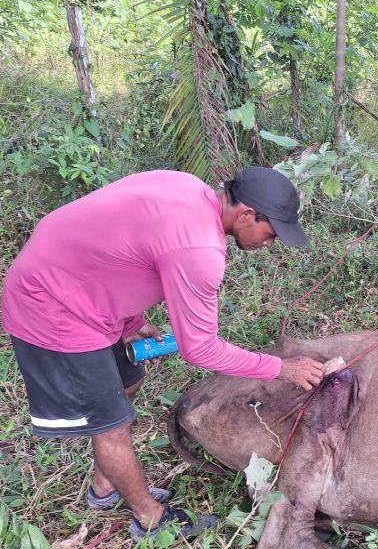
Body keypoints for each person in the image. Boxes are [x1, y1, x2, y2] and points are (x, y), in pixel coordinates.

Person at [2, 167, 327, 542]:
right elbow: (200, 348)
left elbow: (116, 240)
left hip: (75, 284)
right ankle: (151, 520)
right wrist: (280, 368)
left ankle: (106, 484)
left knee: (131, 380)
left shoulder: (186, 186)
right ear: (246, 215)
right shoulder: (200, 250)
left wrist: (129, 319)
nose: (269, 245)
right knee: (111, 425)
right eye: (271, 235)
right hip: (52, 306)